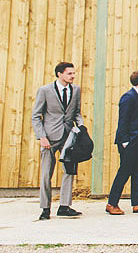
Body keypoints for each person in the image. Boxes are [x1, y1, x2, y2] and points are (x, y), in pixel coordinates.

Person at [31, 61, 85, 220]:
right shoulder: (45, 90)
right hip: (49, 137)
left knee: (69, 170)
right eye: (69, 73)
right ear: (59, 74)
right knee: (46, 173)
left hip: (68, 137)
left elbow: (77, 112)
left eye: (74, 73)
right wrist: (41, 136)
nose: (73, 76)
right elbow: (36, 116)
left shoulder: (76, 90)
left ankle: (64, 206)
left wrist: (81, 126)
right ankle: (45, 208)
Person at [106, 70, 138, 215]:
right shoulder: (128, 97)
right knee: (124, 172)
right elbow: (123, 120)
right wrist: (124, 141)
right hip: (130, 142)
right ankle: (112, 203)